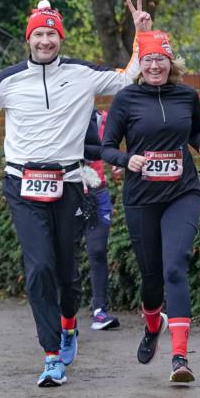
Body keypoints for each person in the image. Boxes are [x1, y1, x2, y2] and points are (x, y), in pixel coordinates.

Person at [0, 0, 152, 387]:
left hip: (69, 184)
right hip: (21, 185)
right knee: (39, 267)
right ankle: (52, 355)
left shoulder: (82, 73)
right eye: (38, 34)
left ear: (60, 38)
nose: (45, 41)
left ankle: (69, 325)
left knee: (67, 272)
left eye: (51, 35)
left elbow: (127, 77)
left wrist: (142, 35)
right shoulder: (9, 80)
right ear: (29, 38)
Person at [101, 30, 200, 384]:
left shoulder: (187, 95)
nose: (155, 65)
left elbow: (196, 132)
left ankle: (180, 358)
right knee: (151, 278)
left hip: (182, 192)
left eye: (161, 59)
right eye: (148, 59)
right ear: (141, 65)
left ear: (171, 62)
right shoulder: (126, 99)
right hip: (141, 198)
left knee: (175, 267)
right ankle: (153, 324)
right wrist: (127, 159)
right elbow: (106, 147)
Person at [84, 108, 121, 331]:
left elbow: (112, 144)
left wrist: (117, 159)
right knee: (65, 254)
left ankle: (99, 311)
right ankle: (61, 312)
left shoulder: (101, 118)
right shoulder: (58, 114)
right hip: (67, 194)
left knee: (97, 251)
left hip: (97, 193)